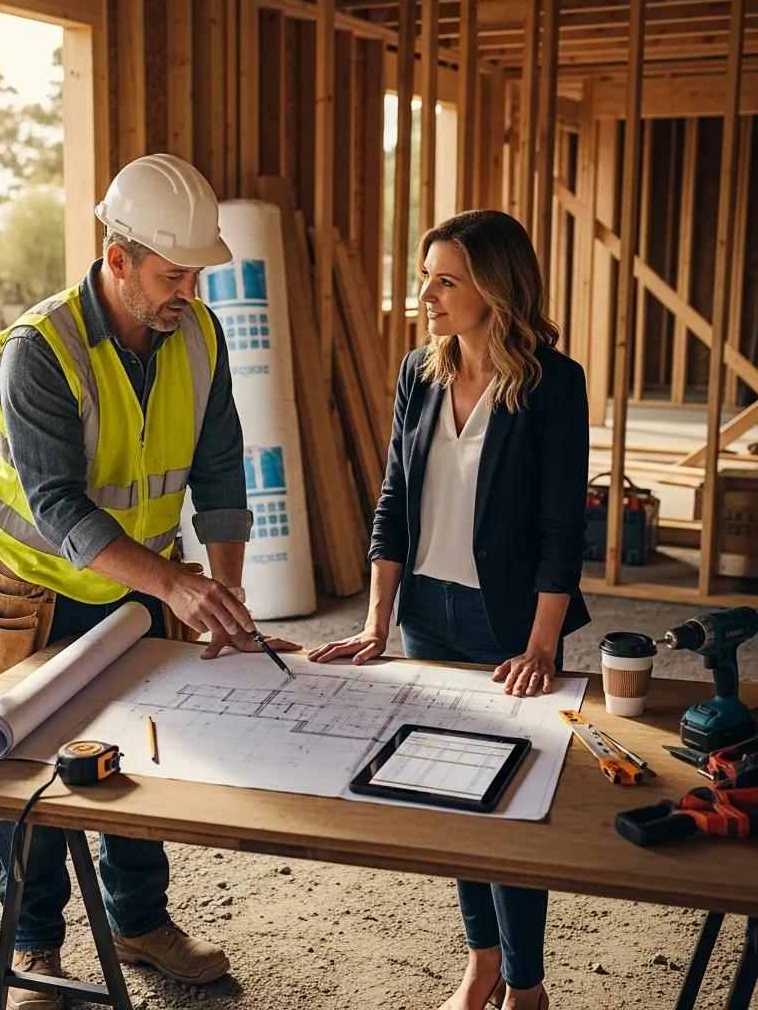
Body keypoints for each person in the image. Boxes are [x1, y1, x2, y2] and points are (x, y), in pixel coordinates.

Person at [0, 152, 299, 1010]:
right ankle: (36, 951)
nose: (187, 291)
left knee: (139, 765)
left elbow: (223, 475)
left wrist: (221, 598)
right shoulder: (38, 351)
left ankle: (138, 923)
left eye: (195, 273)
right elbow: (57, 507)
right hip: (41, 593)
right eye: (172, 273)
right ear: (116, 259)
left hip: (137, 589)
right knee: (40, 780)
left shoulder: (197, 334)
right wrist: (176, 587)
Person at [309, 209, 589, 1010]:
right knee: (450, 798)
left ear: (493, 290)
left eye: (444, 279)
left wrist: (541, 646)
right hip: (428, 613)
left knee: (514, 808)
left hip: (512, 624)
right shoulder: (417, 373)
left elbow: (562, 526)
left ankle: (527, 985)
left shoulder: (552, 384)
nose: (424, 293)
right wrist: (376, 622)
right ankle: (482, 962)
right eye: (425, 276)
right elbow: (394, 497)